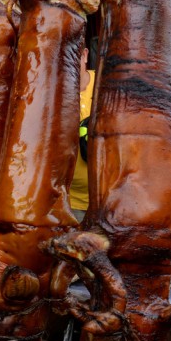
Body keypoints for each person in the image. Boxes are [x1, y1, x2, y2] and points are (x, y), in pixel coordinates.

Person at [69, 47, 95, 222]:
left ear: (84, 55)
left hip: (110, 202)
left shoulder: (106, 84)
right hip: (70, 205)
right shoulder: (51, 94)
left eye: (70, 57)